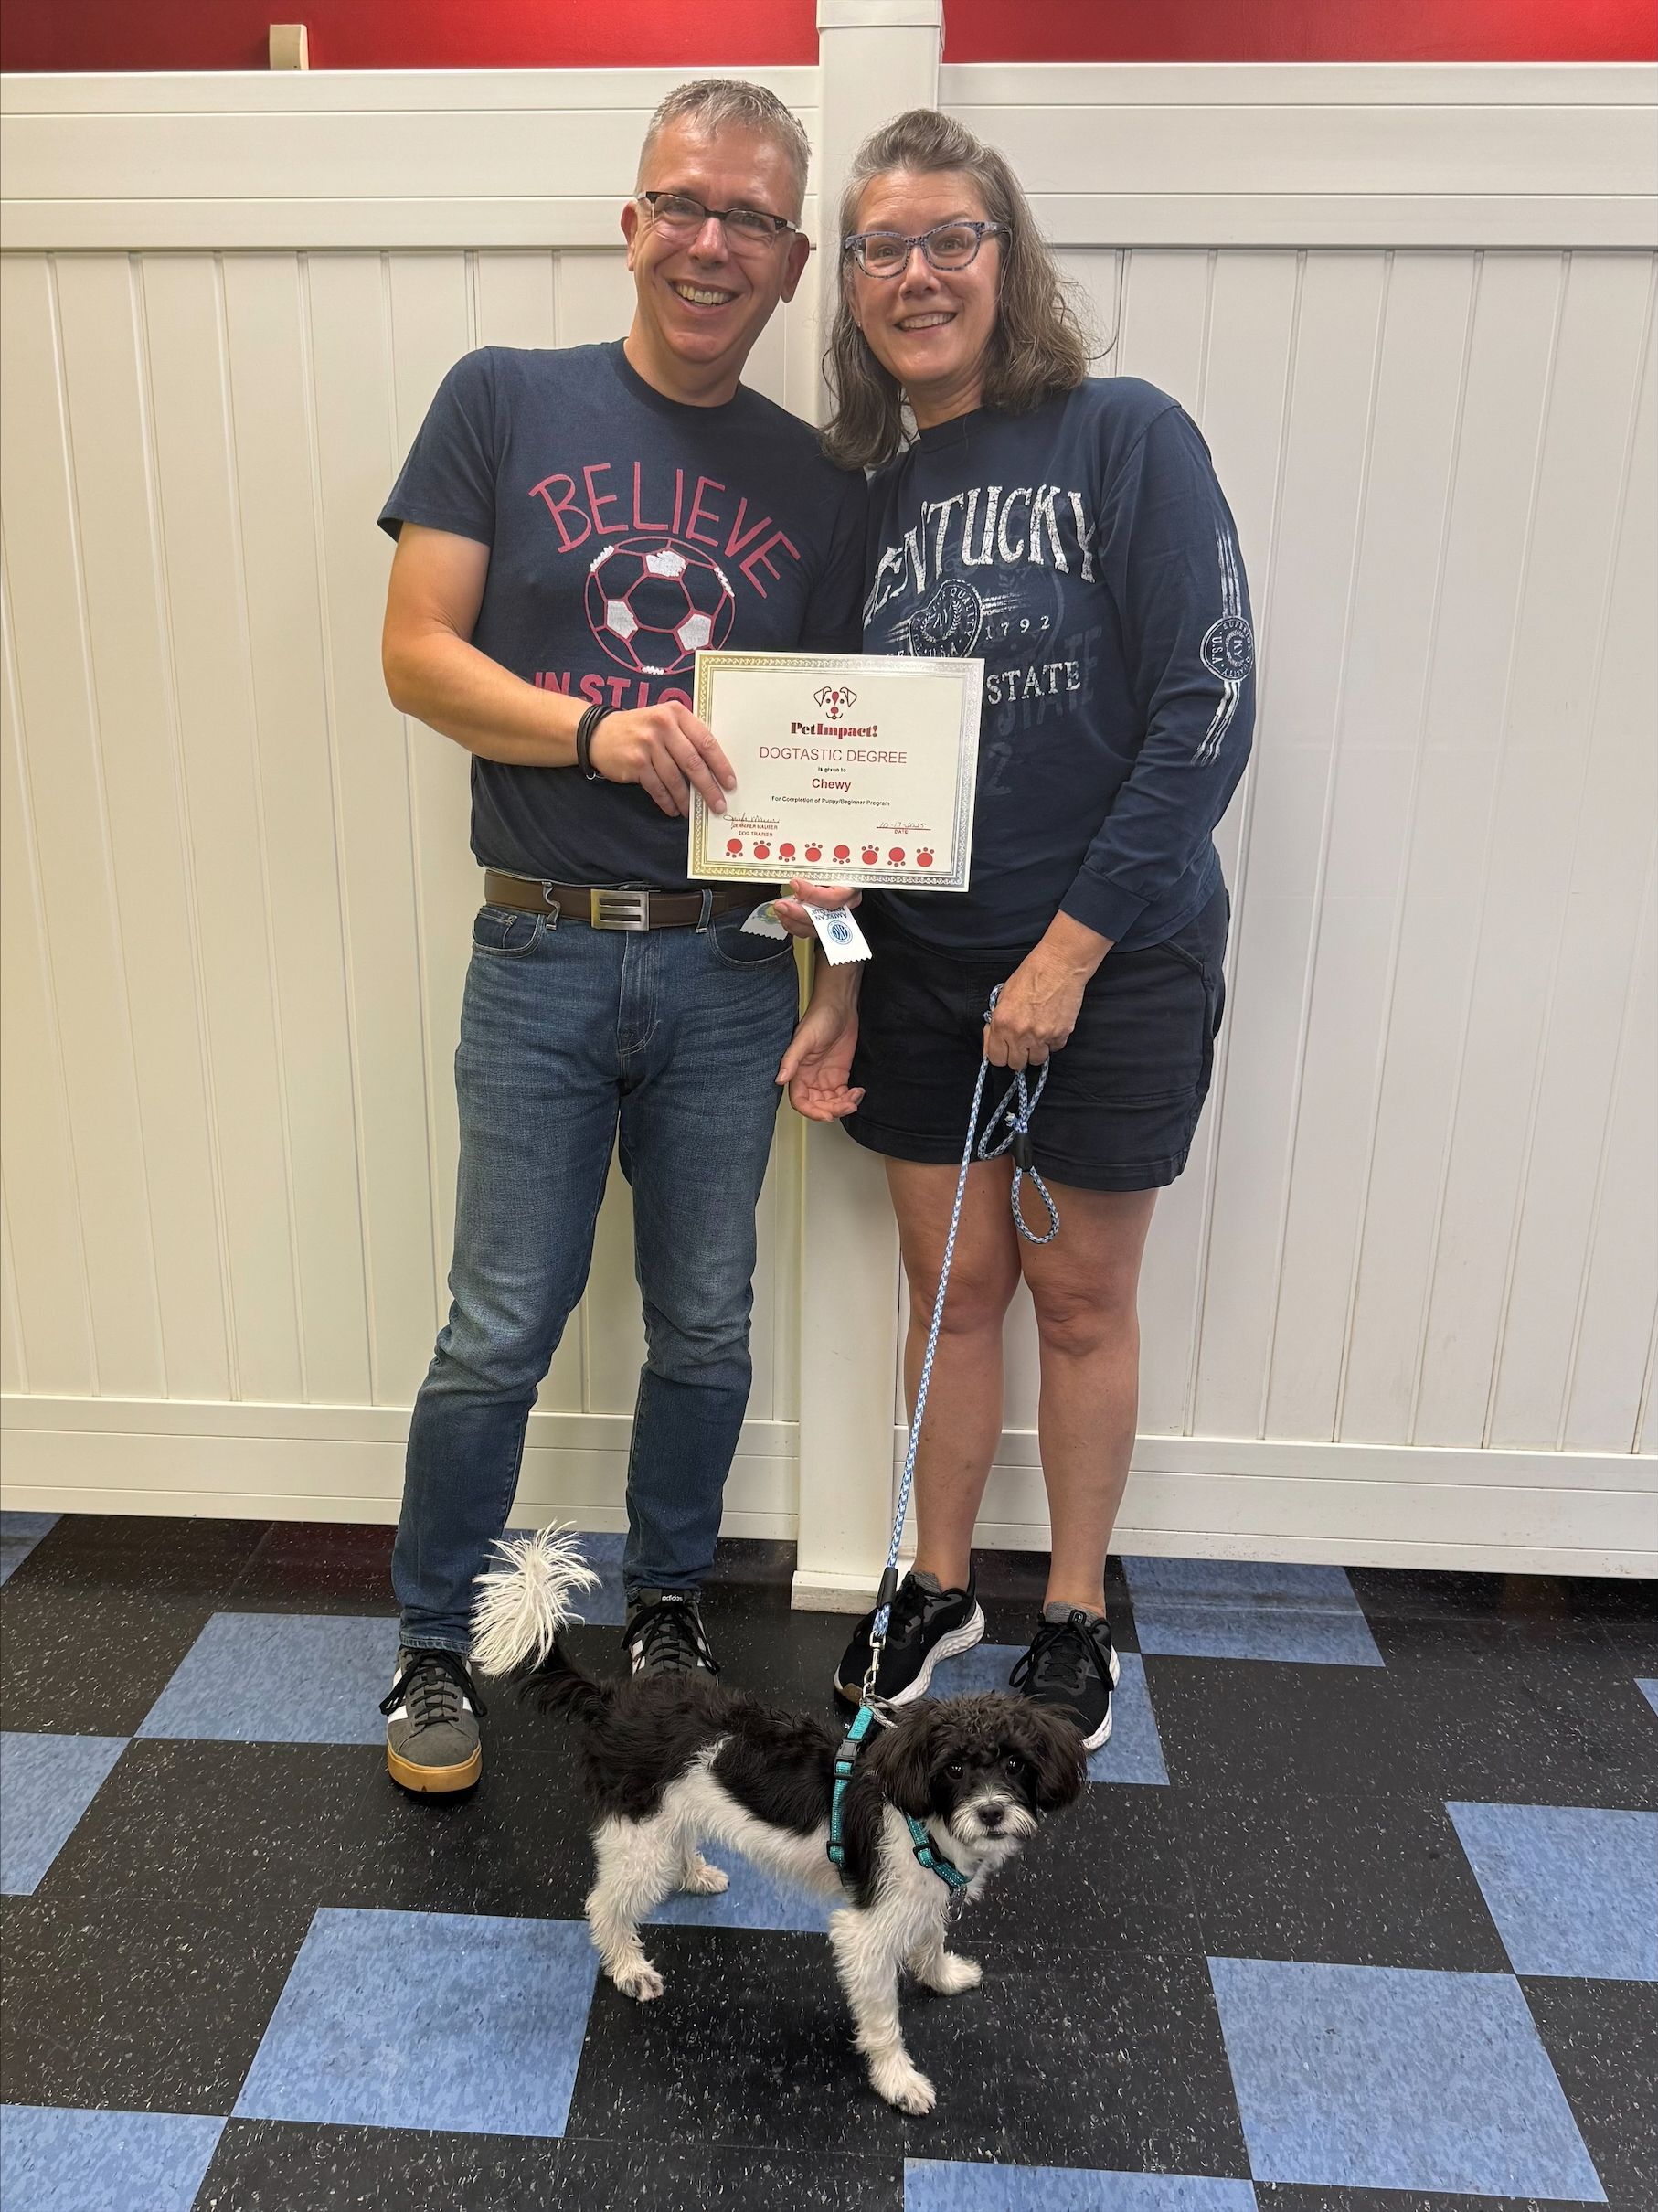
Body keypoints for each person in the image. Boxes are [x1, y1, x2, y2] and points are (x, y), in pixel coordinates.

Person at [377, 80, 866, 1792]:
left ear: (794, 262)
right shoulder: (501, 404)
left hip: (733, 969)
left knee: (709, 1321)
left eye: (748, 219)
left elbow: (839, 769)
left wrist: (841, 979)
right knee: (496, 1325)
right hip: (542, 954)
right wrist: (594, 734)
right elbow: (415, 655)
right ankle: (432, 1642)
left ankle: (667, 1608)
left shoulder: (817, 481)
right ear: (632, 221)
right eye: (683, 204)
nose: (709, 241)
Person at [777, 110, 1254, 1751]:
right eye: (882, 248)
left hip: (1116, 960)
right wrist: (834, 982)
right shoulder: (867, 493)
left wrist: (1068, 950)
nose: (917, 275)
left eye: (949, 240)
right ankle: (937, 1579)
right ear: (847, 287)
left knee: (1080, 1302)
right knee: (946, 1283)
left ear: (1006, 256)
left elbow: (1208, 709)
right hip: (919, 969)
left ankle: (1072, 1613)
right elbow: (830, 776)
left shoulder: (1125, 437)